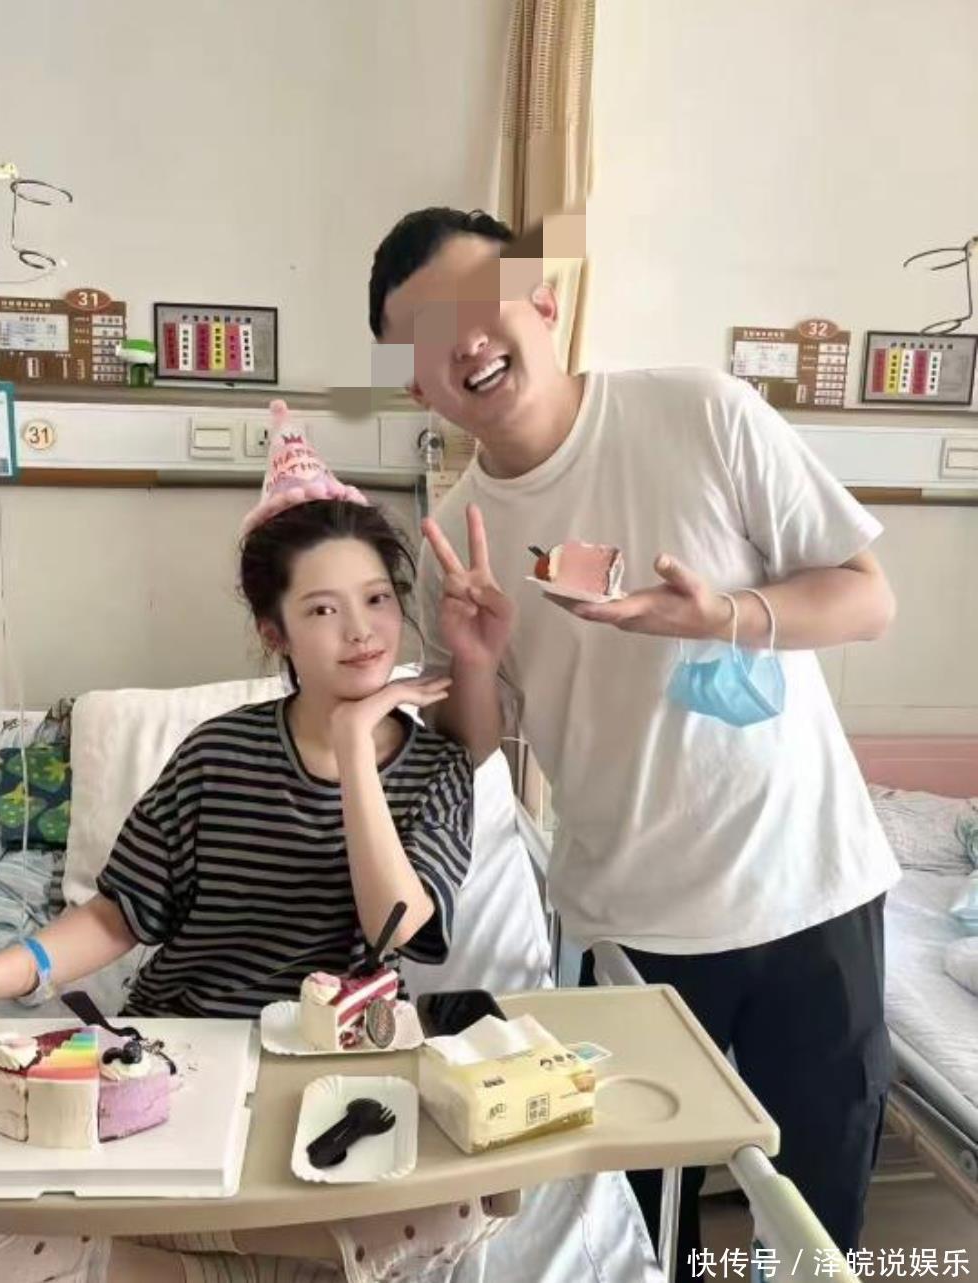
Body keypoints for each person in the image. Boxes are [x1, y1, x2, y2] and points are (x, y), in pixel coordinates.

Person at [369, 206, 900, 1272]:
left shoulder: (701, 412)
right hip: (630, 925)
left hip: (809, 887)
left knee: (818, 1218)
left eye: (477, 300)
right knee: (651, 1225)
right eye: (425, 333)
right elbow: (477, 746)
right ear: (415, 384)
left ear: (542, 298)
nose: (463, 339)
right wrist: (473, 657)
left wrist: (730, 615)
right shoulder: (458, 538)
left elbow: (867, 597)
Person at [0, 415, 485, 1282]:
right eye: (322, 609)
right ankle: (224, 1257)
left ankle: (173, 1257)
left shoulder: (437, 770)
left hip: (326, 1064)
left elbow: (394, 926)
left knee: (467, 1203)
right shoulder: (218, 754)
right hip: (182, 1049)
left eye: (377, 599)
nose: (361, 630)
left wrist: (357, 749)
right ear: (275, 632)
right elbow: (114, 916)